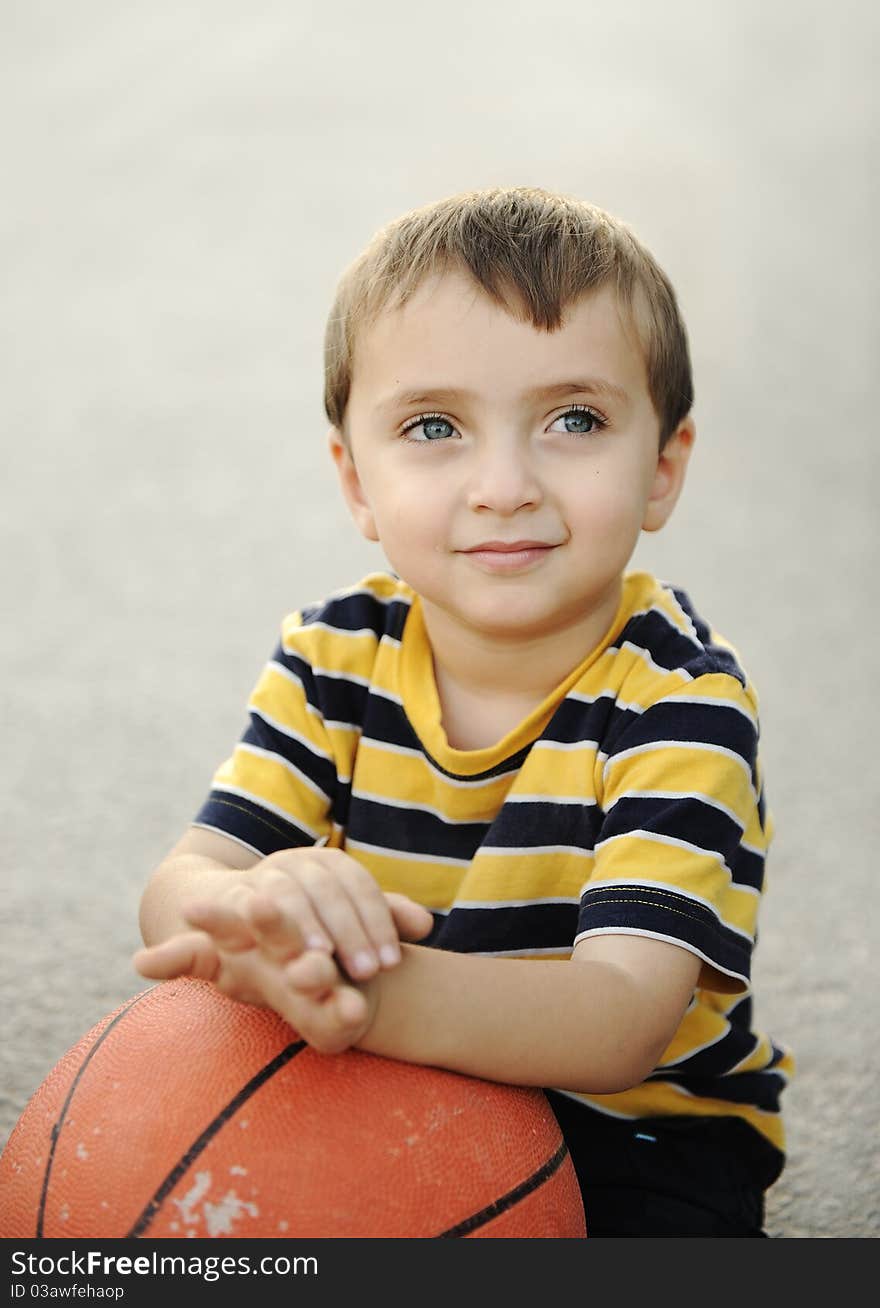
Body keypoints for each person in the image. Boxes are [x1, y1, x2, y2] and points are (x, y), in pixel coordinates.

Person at [133, 186, 793, 1237]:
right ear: (355, 480)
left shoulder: (679, 704)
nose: (502, 484)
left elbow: (615, 1023)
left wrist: (360, 1003)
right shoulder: (334, 653)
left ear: (663, 466)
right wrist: (258, 917)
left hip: (627, 1135)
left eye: (573, 420)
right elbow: (182, 891)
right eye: (433, 426)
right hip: (380, 1078)